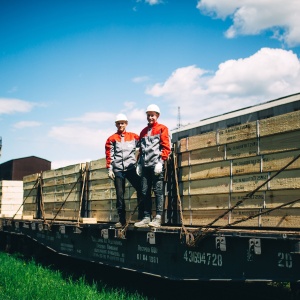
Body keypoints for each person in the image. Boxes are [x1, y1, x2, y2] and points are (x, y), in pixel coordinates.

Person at [134, 104, 171, 228]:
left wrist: (161, 161)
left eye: (152, 115)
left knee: (158, 190)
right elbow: (141, 150)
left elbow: (166, 147)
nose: (150, 117)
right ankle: (146, 217)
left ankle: (158, 217)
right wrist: (139, 163)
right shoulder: (143, 132)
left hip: (156, 165)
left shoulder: (162, 129)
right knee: (145, 191)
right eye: (148, 115)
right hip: (145, 166)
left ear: (157, 116)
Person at [105, 113, 143, 228]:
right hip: (118, 170)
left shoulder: (134, 136)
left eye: (122, 123)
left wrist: (139, 161)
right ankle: (122, 220)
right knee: (120, 195)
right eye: (118, 123)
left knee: (141, 188)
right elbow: (109, 154)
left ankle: (142, 217)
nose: (120, 125)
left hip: (131, 168)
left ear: (126, 124)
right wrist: (110, 169)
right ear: (116, 124)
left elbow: (144, 146)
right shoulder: (111, 139)